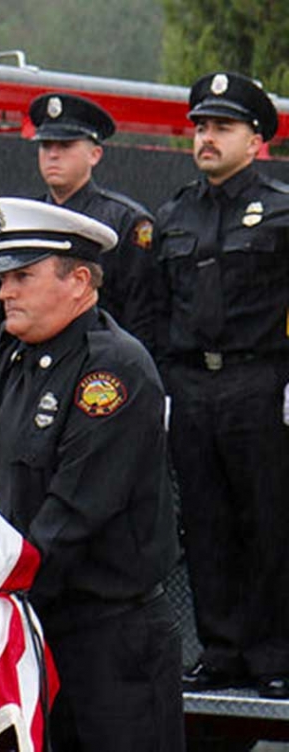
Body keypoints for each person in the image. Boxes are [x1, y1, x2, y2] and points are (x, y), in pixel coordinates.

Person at [0, 198, 182, 751]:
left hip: (107, 641)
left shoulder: (114, 368)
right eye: (4, 278)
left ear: (79, 282)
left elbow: (74, 511)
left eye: (22, 277)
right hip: (25, 621)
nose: (4, 292)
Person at [156, 71, 289, 698]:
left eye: (222, 128)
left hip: (259, 381)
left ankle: (274, 655)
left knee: (267, 519)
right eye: (201, 127)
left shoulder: (285, 209)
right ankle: (221, 650)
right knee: (204, 524)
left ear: (256, 139)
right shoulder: (174, 213)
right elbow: (156, 310)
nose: (206, 138)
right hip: (191, 384)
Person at [29, 92, 160, 353]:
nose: (53, 154)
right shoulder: (27, 219)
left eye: (65, 146)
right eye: (46, 145)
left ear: (95, 154)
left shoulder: (125, 221)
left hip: (100, 360)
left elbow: (141, 313)